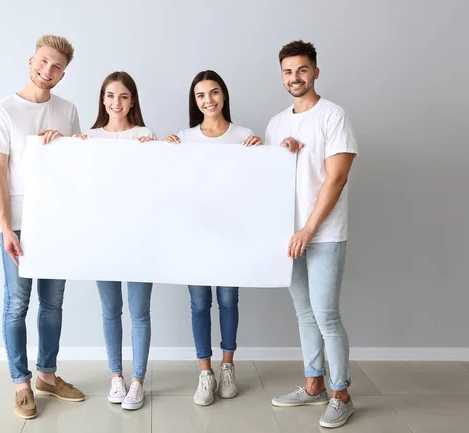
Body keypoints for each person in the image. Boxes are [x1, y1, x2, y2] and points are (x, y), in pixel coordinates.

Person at [0, 34, 85, 420]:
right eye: (43, 62)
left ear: (64, 74)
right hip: (21, 226)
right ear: (31, 61)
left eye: (57, 67)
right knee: (17, 304)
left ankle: (47, 374)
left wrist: (62, 144)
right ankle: (21, 384)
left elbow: (78, 169)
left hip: (58, 224)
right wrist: (6, 228)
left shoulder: (68, 110)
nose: (48, 71)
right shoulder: (3, 111)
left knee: (53, 304)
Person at [266, 40, 358, 429]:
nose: (295, 77)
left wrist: (308, 229)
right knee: (304, 314)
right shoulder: (276, 123)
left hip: (323, 234)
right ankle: (313, 385)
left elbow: (336, 178)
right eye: (288, 71)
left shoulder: (333, 115)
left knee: (326, 315)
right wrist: (277, 152)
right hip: (289, 236)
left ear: (315, 71)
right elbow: (269, 181)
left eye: (302, 69)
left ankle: (341, 394)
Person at [164, 70, 261, 406]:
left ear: (224, 96)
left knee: (229, 301)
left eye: (214, 92)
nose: (209, 100)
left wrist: (262, 155)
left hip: (232, 237)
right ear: (195, 101)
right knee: (199, 304)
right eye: (201, 95)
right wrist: (164, 151)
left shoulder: (244, 135)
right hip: (195, 237)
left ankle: (228, 366)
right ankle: (205, 372)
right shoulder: (184, 138)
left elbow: (257, 185)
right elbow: (170, 184)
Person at [73, 71, 156, 410]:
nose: (116, 102)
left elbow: (159, 185)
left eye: (123, 96)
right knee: (110, 311)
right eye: (110, 95)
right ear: (102, 99)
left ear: (132, 100)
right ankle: (116, 377)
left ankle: (138, 381)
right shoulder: (89, 138)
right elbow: (77, 184)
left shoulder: (146, 136)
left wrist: (159, 152)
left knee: (139, 312)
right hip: (102, 238)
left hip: (139, 238)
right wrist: (69, 149)